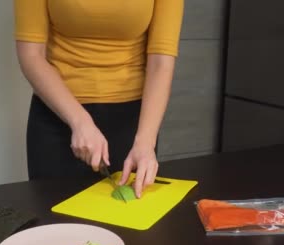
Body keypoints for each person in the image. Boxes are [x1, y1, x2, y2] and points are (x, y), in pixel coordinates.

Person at [14, 0, 184, 198]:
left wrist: (146, 142)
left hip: (133, 126)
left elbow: (161, 63)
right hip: (58, 117)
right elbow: (31, 56)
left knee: (128, 223)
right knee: (53, 221)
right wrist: (79, 121)